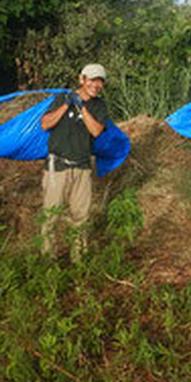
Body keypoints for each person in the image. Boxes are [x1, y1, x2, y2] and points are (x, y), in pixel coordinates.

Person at [39, 63, 109, 261]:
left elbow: (96, 131)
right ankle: (47, 260)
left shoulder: (99, 106)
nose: (96, 85)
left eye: (100, 81)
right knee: (51, 215)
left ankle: (78, 260)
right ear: (82, 79)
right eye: (92, 80)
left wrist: (82, 107)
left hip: (82, 167)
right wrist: (66, 105)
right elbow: (45, 124)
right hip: (57, 167)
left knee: (81, 216)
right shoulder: (62, 98)